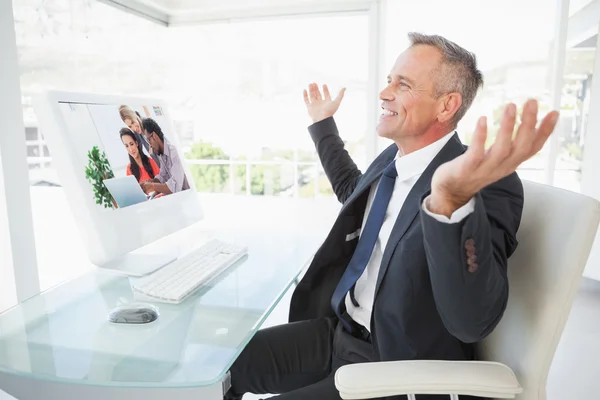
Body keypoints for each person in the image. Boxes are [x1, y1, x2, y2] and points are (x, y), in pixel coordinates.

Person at [225, 33, 559, 400]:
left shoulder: (481, 183)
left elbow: (472, 320)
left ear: (446, 106)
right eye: (389, 81)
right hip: (341, 335)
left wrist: (449, 204)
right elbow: (353, 190)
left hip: (399, 367)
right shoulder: (392, 160)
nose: (384, 93)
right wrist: (323, 125)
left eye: (403, 85)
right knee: (224, 370)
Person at [139, 117, 190, 195]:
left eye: (149, 140)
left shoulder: (174, 153)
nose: (150, 147)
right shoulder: (162, 156)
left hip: (188, 195)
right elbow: (163, 176)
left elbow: (175, 187)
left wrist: (152, 186)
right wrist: (150, 182)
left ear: (155, 136)